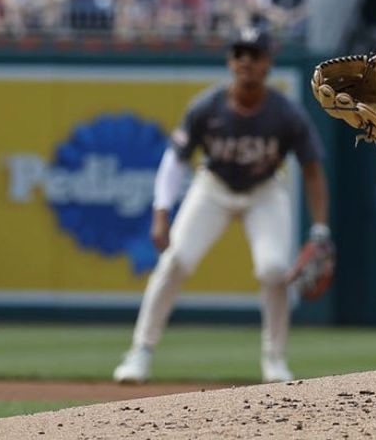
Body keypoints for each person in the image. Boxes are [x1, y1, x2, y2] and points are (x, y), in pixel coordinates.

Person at [112, 27, 331, 384]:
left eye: (254, 55)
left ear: (268, 63)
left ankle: (274, 360)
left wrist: (320, 229)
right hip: (213, 187)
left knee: (274, 269)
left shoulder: (286, 113)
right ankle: (141, 351)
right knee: (175, 261)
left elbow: (312, 170)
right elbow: (174, 161)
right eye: (239, 54)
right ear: (230, 61)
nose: (246, 61)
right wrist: (161, 212)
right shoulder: (206, 105)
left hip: (264, 190)